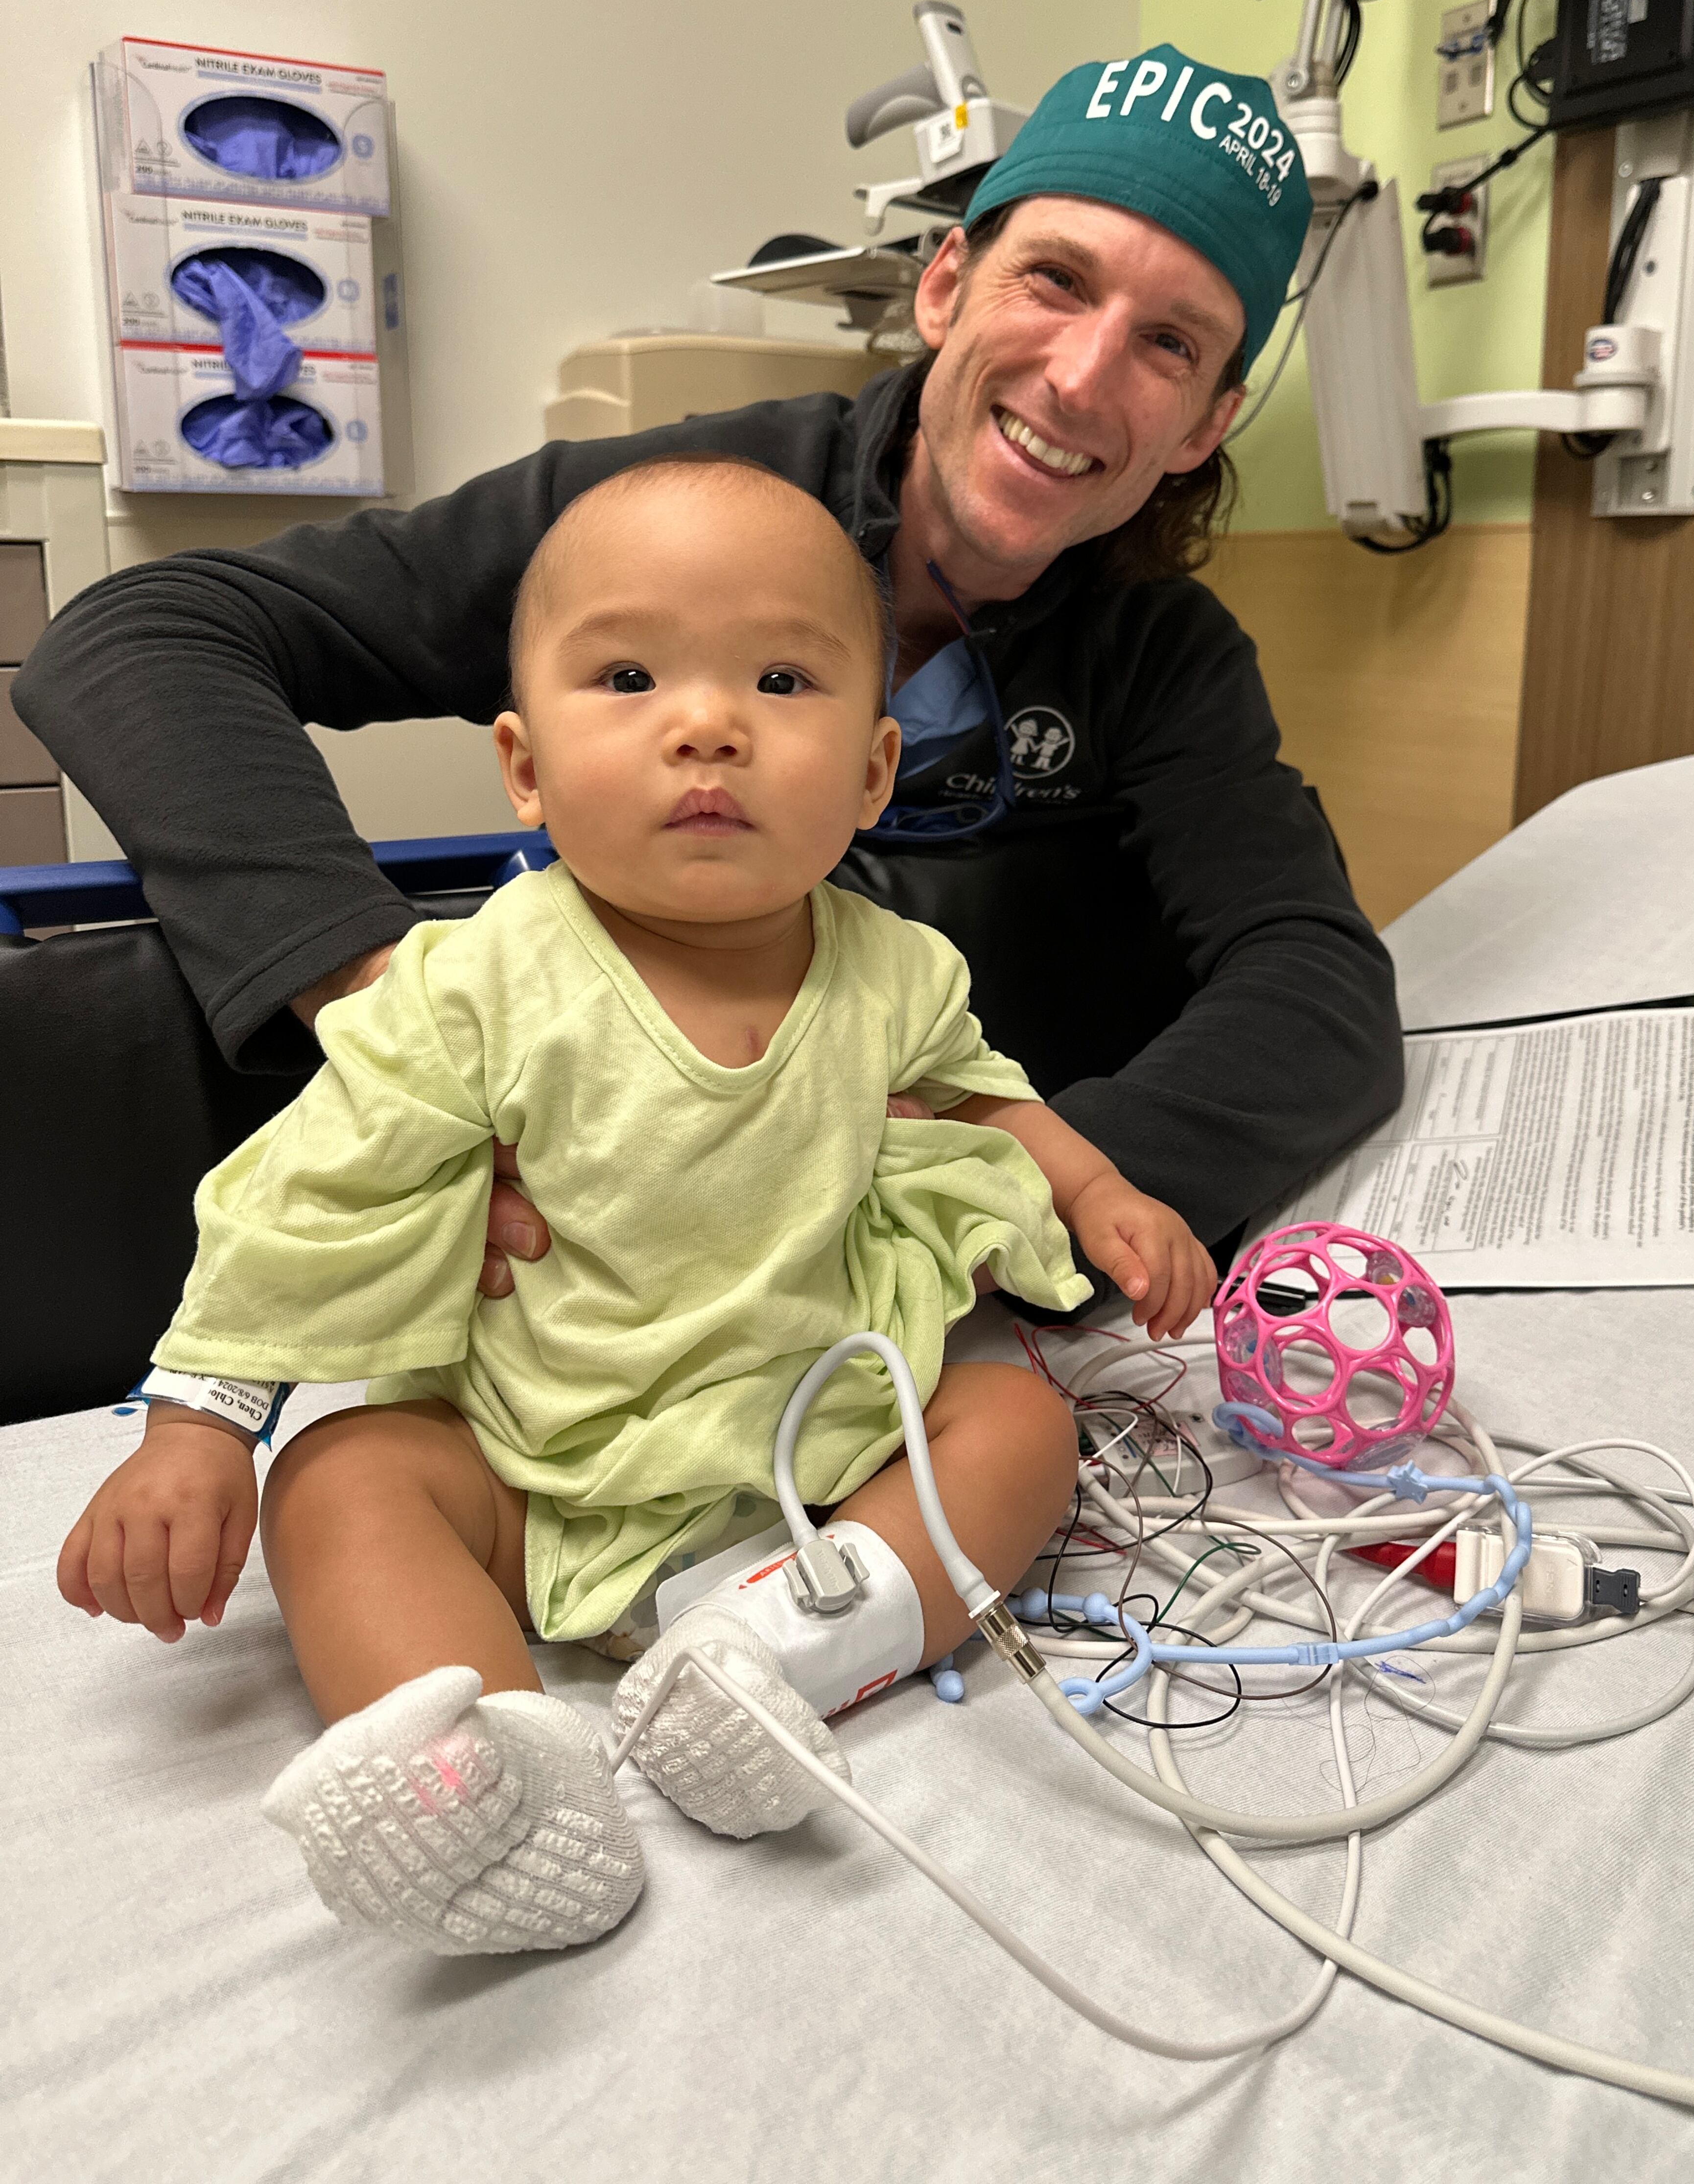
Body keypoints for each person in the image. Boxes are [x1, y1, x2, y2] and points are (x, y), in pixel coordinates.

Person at [13, 42, 1404, 1311]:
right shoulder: (678, 513)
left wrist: (1010, 1203)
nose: (1086, 378)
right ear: (942, 285)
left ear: (1207, 424)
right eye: (1056, 279)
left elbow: (1317, 991)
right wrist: (381, 1013)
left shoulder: (1160, 651)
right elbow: (144, 635)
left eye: (1171, 344)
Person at [56, 457, 1219, 1960]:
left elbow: (987, 1097)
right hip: (535, 1465)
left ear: (871, 776)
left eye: (781, 677)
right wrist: (202, 1419)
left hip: (813, 1444)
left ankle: (782, 1651)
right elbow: (311, 1197)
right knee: (343, 1476)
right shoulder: (473, 987)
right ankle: (496, 1769)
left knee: (1020, 1428)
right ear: (527, 768)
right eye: (628, 675)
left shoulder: (898, 974)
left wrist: (1104, 1190)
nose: (707, 723)